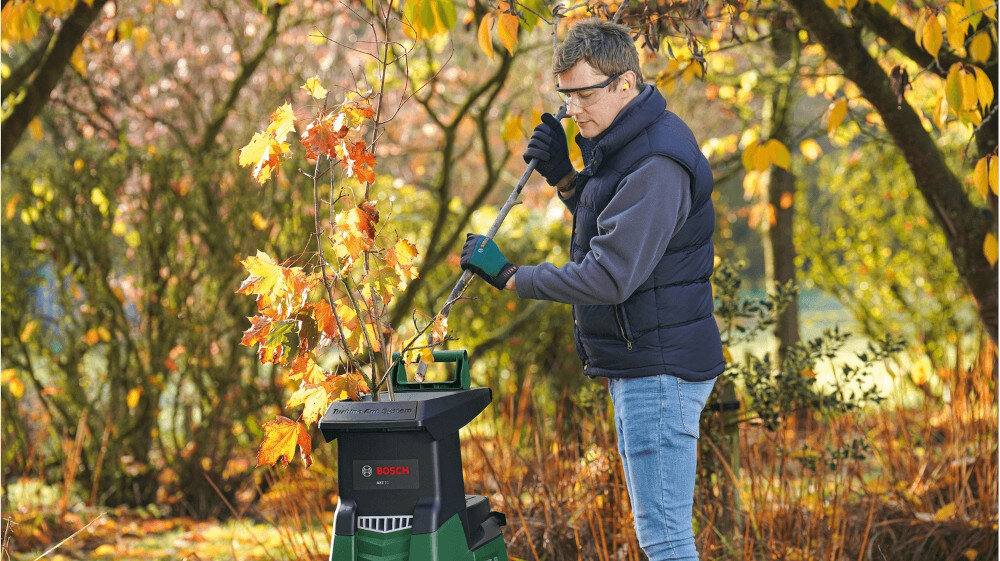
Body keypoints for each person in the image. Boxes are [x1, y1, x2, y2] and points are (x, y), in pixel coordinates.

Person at [459, 18, 725, 561]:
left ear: (625, 83)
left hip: (661, 368)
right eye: (566, 97)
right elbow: (614, 225)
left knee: (667, 538)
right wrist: (564, 176)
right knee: (662, 533)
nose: (573, 110)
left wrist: (512, 277)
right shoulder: (626, 145)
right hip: (646, 364)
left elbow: (609, 275)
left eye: (584, 95)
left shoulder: (656, 161)